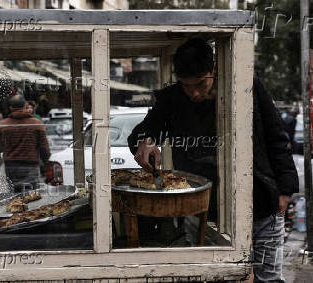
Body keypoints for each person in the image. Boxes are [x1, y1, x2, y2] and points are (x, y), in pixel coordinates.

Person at [128, 38, 298, 282]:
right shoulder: (173, 99)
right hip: (203, 206)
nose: (194, 93)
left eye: (200, 84)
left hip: (258, 198)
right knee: (215, 276)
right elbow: (140, 134)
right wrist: (147, 141)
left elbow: (277, 138)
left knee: (268, 277)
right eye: (187, 86)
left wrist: (285, 189)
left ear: (214, 70)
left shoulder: (247, 87)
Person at [0, 94, 50, 192]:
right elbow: (44, 148)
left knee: (14, 196)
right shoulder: (37, 123)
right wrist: (46, 163)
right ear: (25, 105)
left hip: (11, 166)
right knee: (31, 196)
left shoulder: (3, 125)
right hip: (31, 165)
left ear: (10, 108)